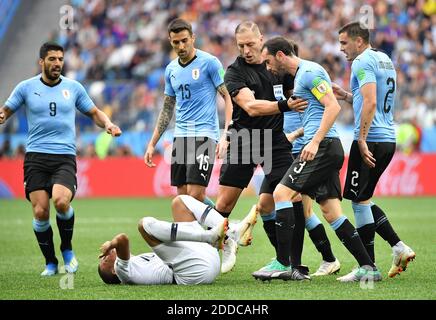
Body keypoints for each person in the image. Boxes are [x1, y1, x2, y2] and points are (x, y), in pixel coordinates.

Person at [260, 36, 382, 282]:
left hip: (323, 147)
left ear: (280, 55)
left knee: (281, 194)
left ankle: (283, 263)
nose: (267, 66)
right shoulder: (303, 75)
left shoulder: (309, 72)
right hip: (326, 147)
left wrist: (314, 142)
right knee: (330, 211)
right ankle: (369, 268)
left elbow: (333, 107)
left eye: (268, 60)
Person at [0, 42, 122, 276]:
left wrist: (108, 123)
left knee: (61, 202)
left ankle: (67, 249)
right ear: (42, 62)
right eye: (52, 59)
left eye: (60, 59)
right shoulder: (26, 87)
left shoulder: (73, 88)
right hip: (36, 157)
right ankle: (51, 262)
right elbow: (7, 109)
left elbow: (94, 112)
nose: (57, 63)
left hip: (64, 156)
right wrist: (3, 115)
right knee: (40, 213)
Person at [214, 21, 309, 280]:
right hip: (245, 139)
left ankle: (293, 265)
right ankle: (208, 253)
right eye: (240, 45)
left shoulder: (277, 66)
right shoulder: (233, 73)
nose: (246, 50)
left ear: (261, 39)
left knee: (291, 196)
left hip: (275, 141)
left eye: (251, 44)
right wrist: (285, 106)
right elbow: (252, 107)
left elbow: (299, 92)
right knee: (224, 203)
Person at [333, 21, 415, 278]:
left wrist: (361, 139)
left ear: (359, 41)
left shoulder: (361, 61)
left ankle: (368, 267)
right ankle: (397, 248)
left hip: (372, 139)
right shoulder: (384, 59)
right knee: (364, 198)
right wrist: (347, 95)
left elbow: (370, 101)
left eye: (344, 43)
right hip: (387, 138)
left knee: (358, 202)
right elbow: (371, 98)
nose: (341, 49)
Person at [144, 18, 232, 204]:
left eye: (185, 40)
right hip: (181, 136)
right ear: (170, 41)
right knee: (183, 198)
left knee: (195, 195)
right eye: (176, 42)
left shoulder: (210, 63)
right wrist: (152, 144)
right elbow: (167, 108)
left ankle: (221, 226)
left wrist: (226, 134)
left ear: (193, 38)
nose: (181, 46)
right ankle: (222, 226)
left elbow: (228, 97)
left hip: (204, 134)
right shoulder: (170, 70)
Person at [98, 195, 257, 285]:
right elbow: (122, 239)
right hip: (193, 274)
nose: (105, 255)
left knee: (179, 203)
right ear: (113, 271)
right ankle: (210, 237)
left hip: (202, 260)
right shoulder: (122, 272)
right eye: (104, 260)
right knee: (144, 225)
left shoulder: (138, 262)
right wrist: (110, 244)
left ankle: (233, 233)